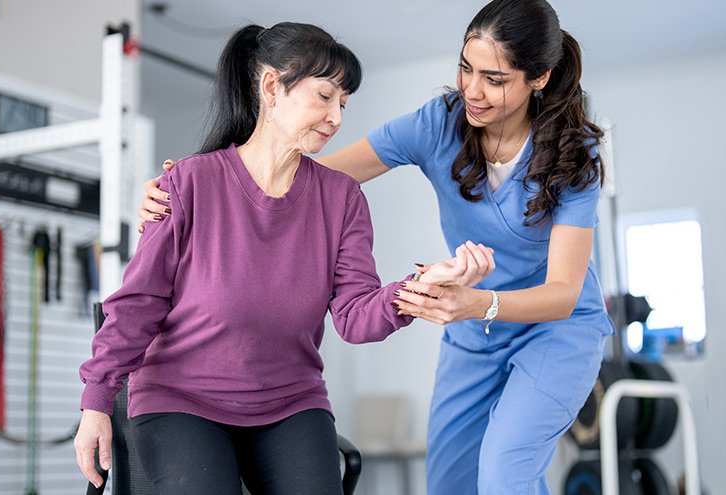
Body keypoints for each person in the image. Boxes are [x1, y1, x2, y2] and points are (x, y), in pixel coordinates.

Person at [139, 1, 614, 494]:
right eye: (465, 69)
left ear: (537, 78)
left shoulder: (574, 153)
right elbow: (314, 180)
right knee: (449, 483)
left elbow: (562, 291)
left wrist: (477, 301)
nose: (472, 90)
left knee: (504, 470)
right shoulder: (440, 123)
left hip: (555, 328)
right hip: (476, 331)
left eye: (494, 79)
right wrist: (197, 189)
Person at [74, 22, 494, 495]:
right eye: (325, 96)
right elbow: (138, 302)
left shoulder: (342, 198)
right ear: (272, 87)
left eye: (343, 103)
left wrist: (421, 287)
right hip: (181, 400)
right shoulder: (188, 184)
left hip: (290, 402)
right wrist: (96, 402)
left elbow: (356, 318)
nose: (336, 117)